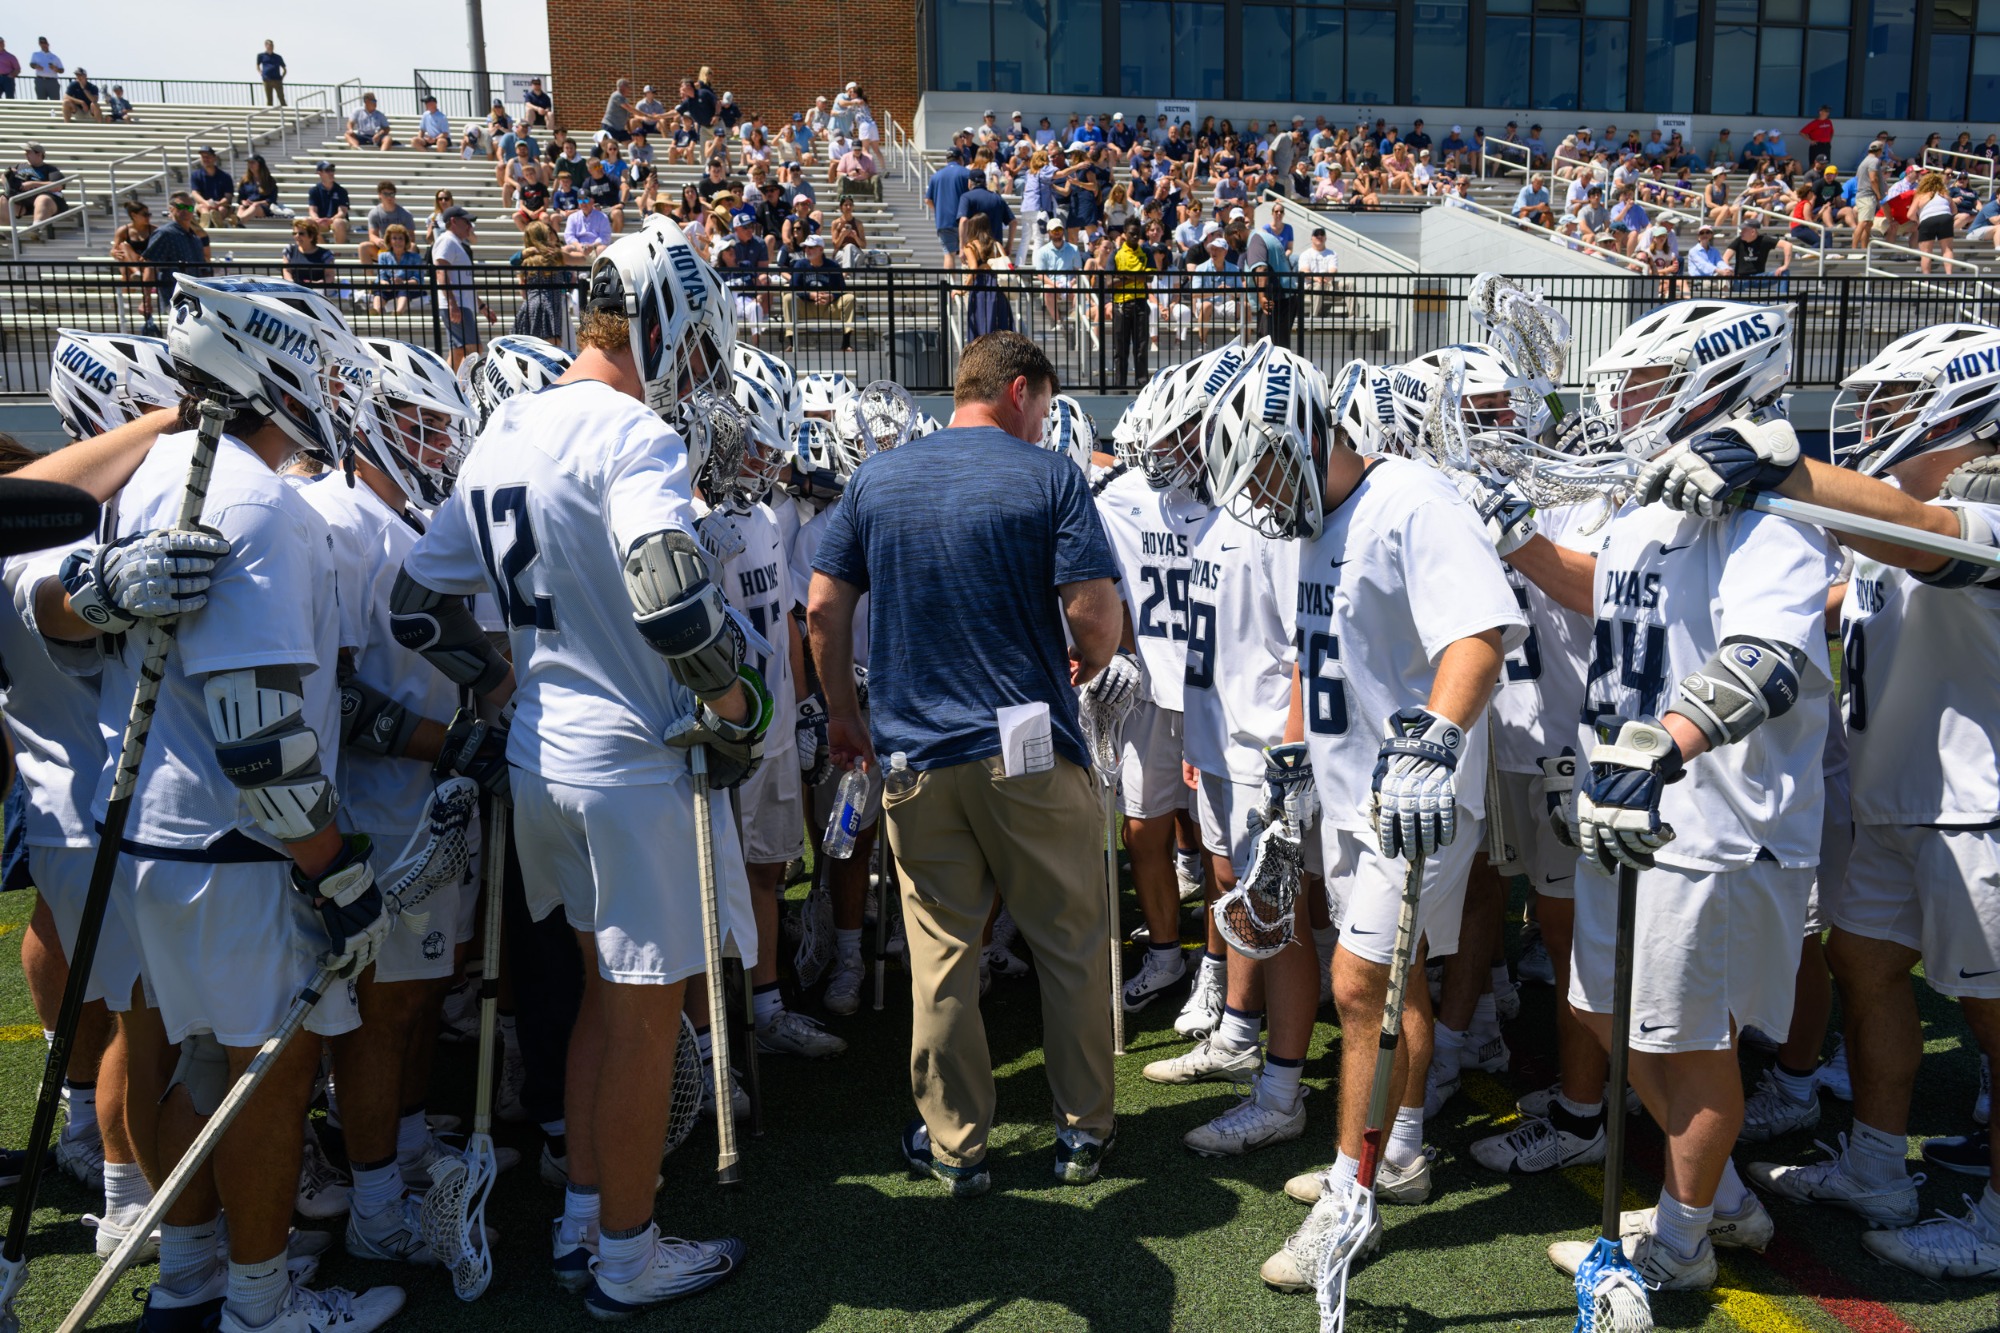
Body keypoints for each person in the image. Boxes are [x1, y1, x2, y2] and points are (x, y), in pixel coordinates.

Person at [397, 214, 753, 1319]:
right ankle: (628, 1253)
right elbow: (667, 585)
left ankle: (583, 1217)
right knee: (645, 1017)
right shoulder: (633, 434)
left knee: (606, 999)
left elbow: (419, 599)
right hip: (628, 762)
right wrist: (732, 698)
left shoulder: (507, 426)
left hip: (542, 751)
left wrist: (500, 686)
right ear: (659, 320)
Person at [33, 273, 403, 1333]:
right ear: (271, 370)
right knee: (267, 1078)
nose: (334, 391)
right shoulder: (259, 501)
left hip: (153, 829)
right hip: (238, 849)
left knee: (193, 1062)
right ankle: (259, 1301)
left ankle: (190, 1271)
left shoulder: (150, 477)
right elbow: (261, 734)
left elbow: (43, 599)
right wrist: (334, 865)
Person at [1639, 322, 2000, 1278]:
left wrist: (1783, 469)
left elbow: (1923, 540)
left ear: (1962, 408)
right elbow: (1849, 596)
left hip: (1980, 805)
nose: (1873, 420)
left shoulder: (1958, 509)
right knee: (1865, 974)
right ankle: (1879, 1167)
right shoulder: (1884, 515)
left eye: (1893, 402)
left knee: (1999, 1025)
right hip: (1896, 802)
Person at [808, 329, 1123, 1198]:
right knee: (1068, 945)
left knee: (942, 955)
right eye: (1048, 405)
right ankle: (1083, 1130)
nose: (1046, 421)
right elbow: (1095, 613)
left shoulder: (876, 479)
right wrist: (1090, 660)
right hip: (1026, 744)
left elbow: (824, 606)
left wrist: (844, 713)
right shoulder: (1049, 474)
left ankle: (956, 1145)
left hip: (914, 750)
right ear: (1019, 390)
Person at [433, 206, 495, 369]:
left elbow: (463, 281)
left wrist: (481, 306)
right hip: (456, 305)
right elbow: (441, 273)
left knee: (459, 351)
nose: (470, 226)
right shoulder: (447, 241)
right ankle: (464, 390)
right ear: (453, 221)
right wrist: (452, 303)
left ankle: (445, 388)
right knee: (473, 349)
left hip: (459, 304)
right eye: (466, 222)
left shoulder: (455, 243)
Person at [139, 192, 209, 312]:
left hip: (196, 298)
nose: (186, 211)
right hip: (174, 297)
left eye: (189, 207)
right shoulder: (164, 233)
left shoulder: (195, 238)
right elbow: (150, 266)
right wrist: (146, 300)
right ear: (171, 209)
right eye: (181, 207)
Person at [784, 235, 854, 351]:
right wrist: (810, 295)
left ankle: (846, 344)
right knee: (788, 298)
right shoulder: (800, 265)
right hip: (806, 307)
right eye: (806, 247)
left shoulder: (833, 266)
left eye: (811, 247)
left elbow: (842, 288)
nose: (807, 250)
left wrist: (831, 296)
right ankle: (792, 343)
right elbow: (793, 287)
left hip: (829, 308)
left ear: (821, 249)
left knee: (849, 298)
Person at [111, 198, 159, 329]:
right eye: (145, 214)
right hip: (132, 264)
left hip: (148, 265)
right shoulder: (123, 230)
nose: (148, 217)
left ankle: (137, 285)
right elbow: (114, 249)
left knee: (146, 262)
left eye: (149, 214)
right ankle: (136, 273)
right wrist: (115, 253)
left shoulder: (154, 230)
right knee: (123, 245)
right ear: (134, 215)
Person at [926, 151, 978, 269]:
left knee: (948, 255)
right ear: (960, 158)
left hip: (944, 221)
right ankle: (967, 285)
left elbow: (927, 200)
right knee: (969, 252)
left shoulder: (936, 176)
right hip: (965, 219)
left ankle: (951, 285)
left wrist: (938, 209)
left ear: (947, 160)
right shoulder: (967, 173)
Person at [359, 181, 415, 267]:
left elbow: (411, 237)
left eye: (391, 194)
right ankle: (370, 279)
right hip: (383, 248)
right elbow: (372, 235)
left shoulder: (405, 214)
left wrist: (400, 245)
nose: (389, 197)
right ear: (380, 195)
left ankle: (407, 276)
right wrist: (378, 241)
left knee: (412, 247)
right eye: (385, 194)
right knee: (363, 246)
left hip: (401, 248)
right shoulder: (374, 213)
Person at [372, 223, 425, 314]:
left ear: (406, 241)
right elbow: (382, 275)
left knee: (404, 290)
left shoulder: (415, 257)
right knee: (380, 292)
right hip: (389, 287)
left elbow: (418, 278)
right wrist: (385, 283)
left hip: (408, 287)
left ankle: (398, 312)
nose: (397, 241)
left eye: (401, 238)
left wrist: (403, 282)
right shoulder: (383, 256)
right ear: (389, 241)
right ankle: (376, 311)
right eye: (394, 238)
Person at [1912, 170, 1957, 273]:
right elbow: (1954, 210)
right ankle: (1949, 275)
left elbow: (1910, 214)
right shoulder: (1944, 194)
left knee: (1926, 252)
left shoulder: (1920, 196)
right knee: (1947, 249)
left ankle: (1926, 279)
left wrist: (1918, 220)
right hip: (1945, 217)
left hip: (1927, 220)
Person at [283, 218, 336, 290]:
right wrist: (292, 284)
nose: (297, 236)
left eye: (301, 233)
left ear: (311, 236)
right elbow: (286, 271)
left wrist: (319, 284)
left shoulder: (325, 254)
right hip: (294, 290)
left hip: (319, 292)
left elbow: (329, 275)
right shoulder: (289, 250)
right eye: (294, 233)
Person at [307, 161, 352, 245]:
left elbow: (342, 212)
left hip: (338, 221)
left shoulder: (341, 191)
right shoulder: (314, 190)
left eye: (332, 170)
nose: (331, 173)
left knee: (338, 222)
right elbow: (312, 210)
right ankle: (324, 247)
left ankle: (338, 252)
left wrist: (331, 220)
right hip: (322, 222)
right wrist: (318, 220)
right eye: (327, 170)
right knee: (306, 222)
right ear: (319, 173)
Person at [235, 155, 278, 226]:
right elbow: (240, 198)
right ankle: (238, 222)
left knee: (254, 207)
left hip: (263, 208)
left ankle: (238, 222)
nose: (250, 165)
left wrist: (257, 203)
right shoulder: (245, 180)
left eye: (253, 163)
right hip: (248, 206)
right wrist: (244, 202)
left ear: (260, 164)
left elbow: (271, 200)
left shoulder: (269, 181)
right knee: (241, 207)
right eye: (249, 163)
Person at [256, 40, 285, 105]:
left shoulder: (278, 57)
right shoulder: (261, 56)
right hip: (267, 80)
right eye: (270, 45)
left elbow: (284, 69)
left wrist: (281, 78)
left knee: (281, 98)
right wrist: (261, 73)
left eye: (272, 45)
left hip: (277, 80)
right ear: (266, 46)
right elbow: (257, 66)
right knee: (269, 99)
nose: (271, 47)